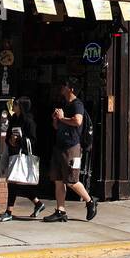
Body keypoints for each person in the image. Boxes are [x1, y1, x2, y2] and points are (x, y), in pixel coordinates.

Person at [43, 77, 98, 222]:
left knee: (72, 180)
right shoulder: (65, 104)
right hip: (60, 146)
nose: (62, 87)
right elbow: (57, 127)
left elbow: (78, 121)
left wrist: (61, 118)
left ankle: (90, 201)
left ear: (71, 89)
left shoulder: (77, 104)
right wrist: (56, 119)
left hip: (72, 147)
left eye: (64, 85)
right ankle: (60, 210)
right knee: (58, 180)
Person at [0, 97, 45, 222]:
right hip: (13, 154)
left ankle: (9, 212)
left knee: (12, 183)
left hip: (22, 155)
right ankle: (38, 203)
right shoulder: (13, 119)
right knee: (18, 184)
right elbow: (7, 137)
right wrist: (10, 140)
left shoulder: (29, 121)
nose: (13, 106)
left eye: (16, 104)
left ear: (21, 106)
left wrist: (19, 140)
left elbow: (32, 140)